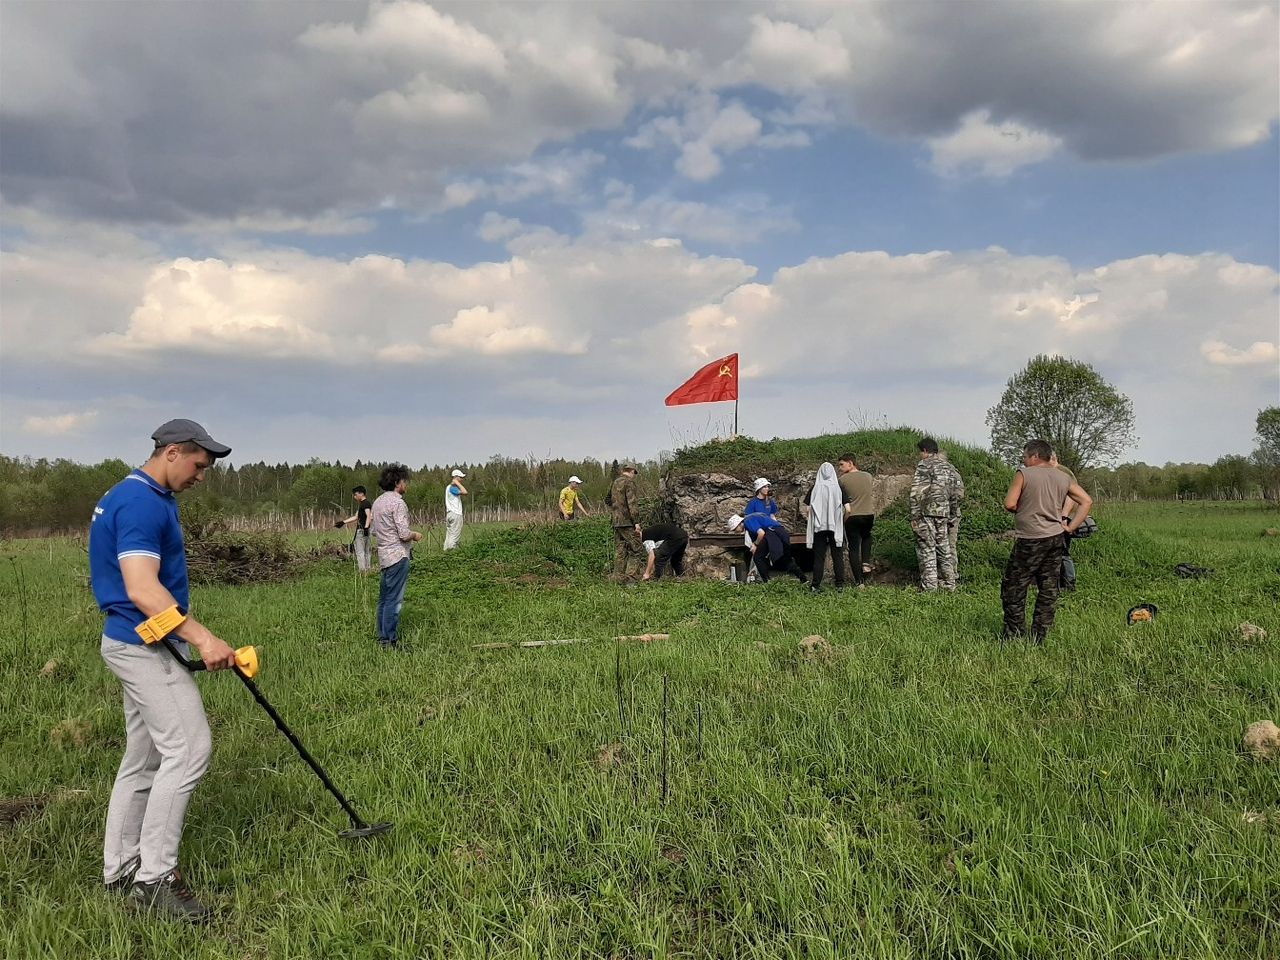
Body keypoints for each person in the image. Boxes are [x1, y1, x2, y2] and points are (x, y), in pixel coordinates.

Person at [89, 418, 238, 921]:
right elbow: (142, 588)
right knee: (190, 749)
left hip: (134, 641)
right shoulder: (140, 503)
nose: (201, 476)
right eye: (198, 465)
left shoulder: (141, 495)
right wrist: (204, 638)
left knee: (145, 758)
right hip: (142, 646)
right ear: (172, 452)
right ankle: (154, 880)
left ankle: (122, 869)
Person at [1002, 439, 1093, 644]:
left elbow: (1009, 503)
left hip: (1030, 539)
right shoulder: (1063, 477)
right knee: (1049, 587)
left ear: (1035, 456)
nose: (1024, 460)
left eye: (1025, 456)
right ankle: (1040, 634)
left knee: (1014, 587)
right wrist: (1070, 527)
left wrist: (1025, 508)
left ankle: (1014, 635)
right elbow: (1086, 501)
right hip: (1055, 538)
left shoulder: (1023, 474)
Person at [371, 464, 423, 649]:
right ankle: (390, 641)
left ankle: (382, 637)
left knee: (384, 599)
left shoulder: (377, 502)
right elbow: (403, 533)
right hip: (398, 556)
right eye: (404, 481)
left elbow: (374, 531)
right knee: (395, 601)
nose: (406, 485)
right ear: (396, 482)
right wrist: (415, 535)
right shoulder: (398, 503)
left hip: (384, 556)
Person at [910, 437, 958, 591]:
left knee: (927, 548)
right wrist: (952, 513)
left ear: (925, 451)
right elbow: (955, 493)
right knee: (944, 548)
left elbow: (917, 492)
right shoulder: (948, 467)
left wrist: (914, 514)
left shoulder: (924, 465)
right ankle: (950, 584)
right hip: (943, 513)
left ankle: (930, 587)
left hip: (926, 513)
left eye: (920, 452)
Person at [803, 462, 847, 592]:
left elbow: (808, 509)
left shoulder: (815, 488)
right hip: (835, 526)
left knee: (819, 557)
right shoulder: (838, 488)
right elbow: (848, 508)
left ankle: (815, 585)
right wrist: (841, 520)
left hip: (819, 527)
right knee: (837, 555)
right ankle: (839, 585)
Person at [728, 512, 807, 584]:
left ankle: (767, 582)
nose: (736, 532)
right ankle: (803, 579)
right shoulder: (751, 522)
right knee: (783, 558)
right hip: (781, 532)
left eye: (735, 529)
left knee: (759, 558)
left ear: (739, 524)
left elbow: (761, 534)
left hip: (773, 533)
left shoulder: (747, 522)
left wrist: (755, 544)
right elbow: (758, 549)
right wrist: (754, 568)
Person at [837, 454, 874, 586]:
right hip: (869, 515)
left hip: (852, 516)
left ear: (851, 463)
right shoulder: (868, 476)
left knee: (853, 548)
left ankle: (859, 582)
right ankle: (865, 562)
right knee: (867, 536)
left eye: (842, 464)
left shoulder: (842, 480)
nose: (840, 468)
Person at [1050, 452, 1080, 591]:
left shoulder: (1062, 472)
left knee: (1063, 551)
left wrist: (1063, 516)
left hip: (1062, 518)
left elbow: (1072, 496)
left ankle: (1068, 584)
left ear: (1052, 458)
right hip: (1055, 517)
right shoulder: (1053, 472)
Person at [607, 464, 643, 579]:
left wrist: (616, 509)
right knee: (637, 548)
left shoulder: (615, 482)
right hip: (627, 521)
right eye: (634, 473)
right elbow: (632, 503)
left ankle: (617, 577)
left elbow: (607, 499)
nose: (634, 476)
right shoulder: (629, 483)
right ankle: (631, 578)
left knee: (620, 549)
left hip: (616, 521)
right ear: (632, 471)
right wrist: (636, 522)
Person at [938, 451, 966, 578]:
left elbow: (959, 495)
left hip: (946, 515)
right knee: (949, 545)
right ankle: (951, 574)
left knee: (944, 545)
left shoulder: (946, 474)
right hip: (951, 514)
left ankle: (948, 575)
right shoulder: (955, 474)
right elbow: (960, 494)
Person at [335, 485, 372, 572]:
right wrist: (343, 522)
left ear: (361, 494)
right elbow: (356, 517)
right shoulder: (362, 505)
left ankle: (363, 571)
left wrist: (366, 527)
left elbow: (369, 516)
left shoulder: (366, 504)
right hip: (364, 531)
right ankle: (368, 570)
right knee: (366, 551)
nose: (354, 497)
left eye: (355, 495)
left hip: (362, 531)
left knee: (360, 552)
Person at [443, 469, 467, 551]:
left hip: (449, 514)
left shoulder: (448, 488)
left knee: (449, 534)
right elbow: (465, 492)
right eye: (460, 477)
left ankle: (446, 551)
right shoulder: (452, 488)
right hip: (455, 514)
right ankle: (451, 552)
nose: (462, 479)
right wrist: (457, 483)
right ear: (456, 477)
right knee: (455, 535)